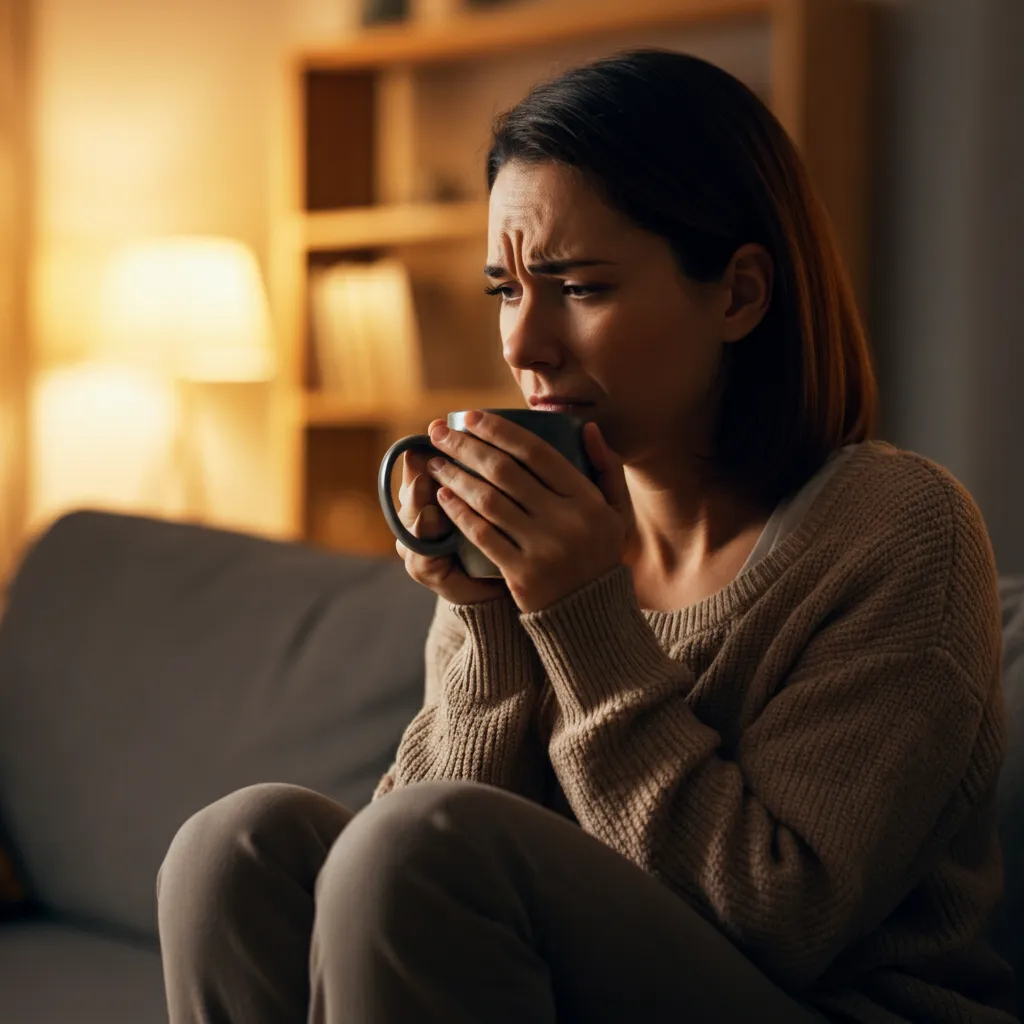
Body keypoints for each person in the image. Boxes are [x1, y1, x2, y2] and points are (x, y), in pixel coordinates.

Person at [155, 49, 1017, 1023]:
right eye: (505, 291)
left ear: (738, 294)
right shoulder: (541, 529)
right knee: (235, 842)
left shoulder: (897, 533)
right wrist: (484, 618)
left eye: (579, 286)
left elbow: (777, 921)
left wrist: (577, 614)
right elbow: (417, 898)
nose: (522, 346)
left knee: (412, 844)